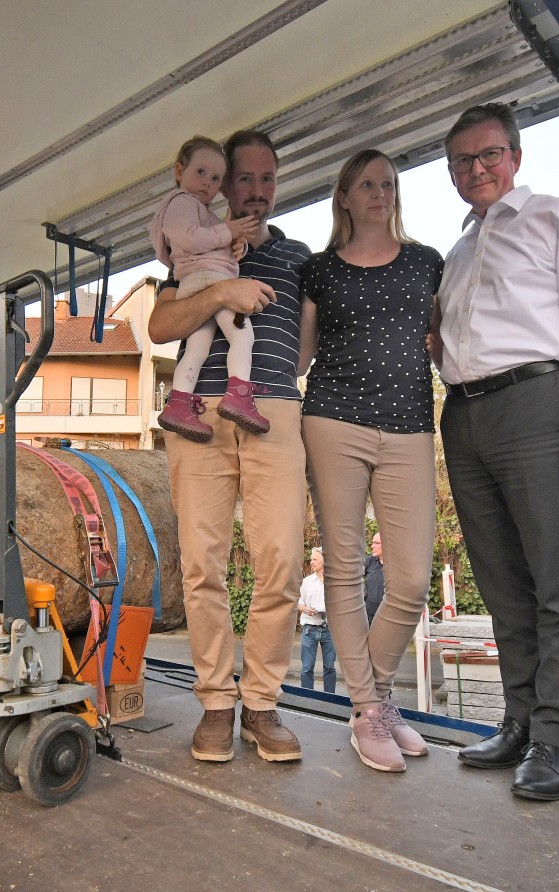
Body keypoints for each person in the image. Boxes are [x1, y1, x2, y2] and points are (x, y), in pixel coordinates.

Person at [432, 103, 559, 801]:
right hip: (464, 415)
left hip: (538, 404)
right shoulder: (457, 253)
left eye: (488, 154)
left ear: (514, 156)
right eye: (462, 161)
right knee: (501, 585)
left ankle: (556, 741)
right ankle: (518, 721)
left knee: (558, 585)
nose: (476, 169)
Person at [148, 128, 312, 763]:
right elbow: (162, 327)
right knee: (201, 566)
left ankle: (263, 704)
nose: (256, 191)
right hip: (200, 418)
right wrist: (221, 293)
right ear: (219, 185)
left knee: (282, 563)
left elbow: (309, 340)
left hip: (273, 411)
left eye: (267, 179)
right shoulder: (188, 256)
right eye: (244, 179)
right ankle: (217, 703)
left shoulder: (297, 256)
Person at [298, 148, 440, 773]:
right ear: (345, 197)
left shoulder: (426, 263)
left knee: (410, 579)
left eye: (388, 183)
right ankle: (367, 710)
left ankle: (373, 702)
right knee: (345, 570)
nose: (380, 192)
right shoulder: (319, 270)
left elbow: (443, 344)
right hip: (332, 423)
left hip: (410, 427)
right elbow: (298, 357)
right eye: (366, 183)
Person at [150, 136, 269, 441]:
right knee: (243, 335)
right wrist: (228, 231)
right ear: (179, 170)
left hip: (197, 283)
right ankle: (239, 394)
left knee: (198, 348)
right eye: (200, 172)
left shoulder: (200, 210)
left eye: (216, 178)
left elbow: (209, 240)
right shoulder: (181, 202)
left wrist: (234, 246)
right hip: (209, 280)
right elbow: (191, 238)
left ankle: (179, 402)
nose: (207, 183)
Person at [298, 548, 336, 693]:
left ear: (324, 561)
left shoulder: (333, 582)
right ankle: (307, 699)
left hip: (329, 629)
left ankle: (330, 699)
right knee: (307, 667)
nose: (311, 562)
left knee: (330, 667)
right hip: (309, 628)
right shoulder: (306, 582)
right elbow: (298, 603)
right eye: (311, 559)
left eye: (315, 559)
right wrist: (307, 610)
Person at [363, 532, 384, 624]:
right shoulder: (370, 561)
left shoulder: (396, 565)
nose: (372, 546)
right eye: (372, 542)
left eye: (376, 543)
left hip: (388, 619)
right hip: (368, 618)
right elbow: (352, 575)